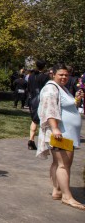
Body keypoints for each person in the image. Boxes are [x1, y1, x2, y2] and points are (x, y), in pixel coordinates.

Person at [36, 63, 84, 211]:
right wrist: (55, 128)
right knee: (64, 165)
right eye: (61, 74)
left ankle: (57, 190)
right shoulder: (51, 89)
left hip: (66, 133)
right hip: (62, 134)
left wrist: (76, 99)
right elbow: (49, 110)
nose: (64, 77)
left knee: (58, 163)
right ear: (53, 74)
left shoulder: (60, 88)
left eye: (66, 75)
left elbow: (66, 107)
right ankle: (67, 196)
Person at [28, 60, 50, 150]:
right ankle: (43, 141)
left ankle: (31, 139)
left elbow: (28, 87)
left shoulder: (31, 76)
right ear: (44, 66)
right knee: (43, 120)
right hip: (41, 99)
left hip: (32, 99)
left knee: (34, 120)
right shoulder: (45, 77)